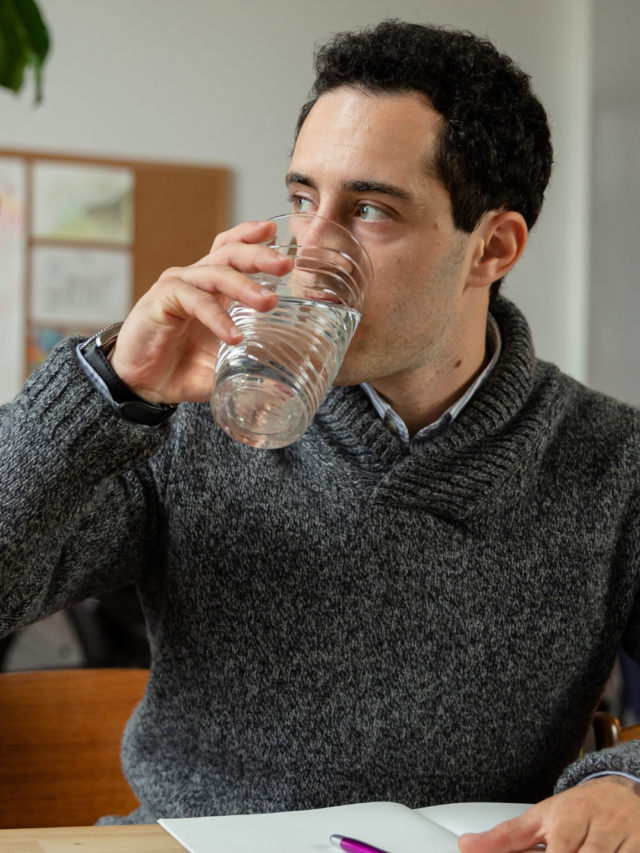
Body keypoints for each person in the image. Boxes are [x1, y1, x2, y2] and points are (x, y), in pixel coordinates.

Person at [2, 19, 640, 852]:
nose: (311, 247)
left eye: (369, 209)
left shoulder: (613, 461)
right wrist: (106, 388)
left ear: (492, 247)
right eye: (303, 198)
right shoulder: (183, 420)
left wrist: (623, 782)